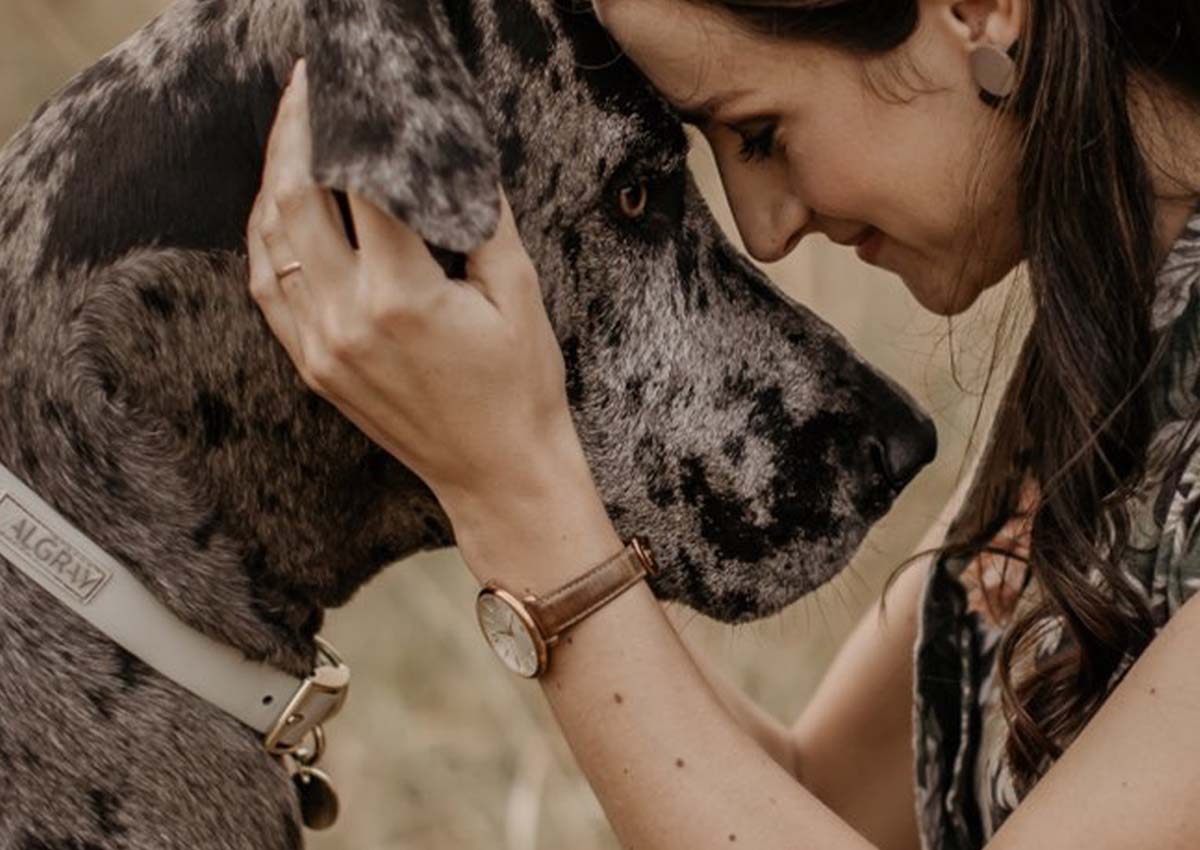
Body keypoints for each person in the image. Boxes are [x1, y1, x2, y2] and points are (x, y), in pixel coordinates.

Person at [244, 1, 1200, 847]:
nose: (765, 230)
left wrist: (518, 500)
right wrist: (480, 439)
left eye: (759, 132)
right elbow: (815, 799)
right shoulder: (1125, 343)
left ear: (980, 11)